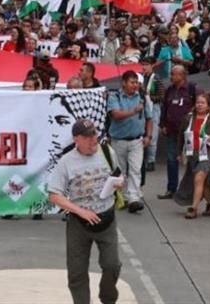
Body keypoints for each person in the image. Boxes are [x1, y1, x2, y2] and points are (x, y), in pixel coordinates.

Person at [47, 118, 123, 304]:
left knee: (112, 265)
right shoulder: (66, 162)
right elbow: (54, 195)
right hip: (79, 224)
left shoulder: (107, 151)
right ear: (76, 140)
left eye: (94, 135)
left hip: (106, 218)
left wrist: (120, 183)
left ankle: (107, 297)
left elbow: (118, 174)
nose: (93, 140)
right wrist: (81, 212)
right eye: (87, 137)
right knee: (77, 272)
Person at [107, 71, 152, 213]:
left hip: (137, 140)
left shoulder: (142, 97)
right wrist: (133, 111)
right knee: (120, 171)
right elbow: (115, 115)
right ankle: (122, 196)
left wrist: (148, 136)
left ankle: (133, 198)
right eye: (132, 82)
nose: (135, 85)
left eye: (137, 82)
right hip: (118, 140)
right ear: (124, 83)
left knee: (135, 169)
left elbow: (149, 118)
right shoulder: (115, 97)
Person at [174, 93, 210, 219]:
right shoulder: (188, 118)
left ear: (208, 106)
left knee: (199, 179)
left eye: (203, 103)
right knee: (204, 183)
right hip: (193, 153)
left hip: (208, 153)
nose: (199, 105)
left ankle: (193, 208)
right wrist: (179, 152)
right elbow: (181, 136)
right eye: (198, 103)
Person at [157, 65, 198, 199]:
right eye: (171, 74)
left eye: (174, 74)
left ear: (182, 75)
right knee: (171, 160)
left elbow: (201, 105)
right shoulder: (169, 90)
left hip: (188, 132)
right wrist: (162, 124)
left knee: (191, 161)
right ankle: (171, 189)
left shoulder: (192, 89)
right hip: (171, 131)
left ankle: (192, 190)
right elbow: (165, 108)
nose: (171, 77)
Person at [140, 55, 163, 172]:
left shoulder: (156, 79)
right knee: (142, 133)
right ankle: (142, 159)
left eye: (146, 65)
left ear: (152, 66)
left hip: (154, 107)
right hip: (143, 107)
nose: (144, 67)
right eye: (143, 65)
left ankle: (151, 160)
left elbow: (161, 96)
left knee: (152, 134)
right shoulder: (140, 78)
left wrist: (149, 96)